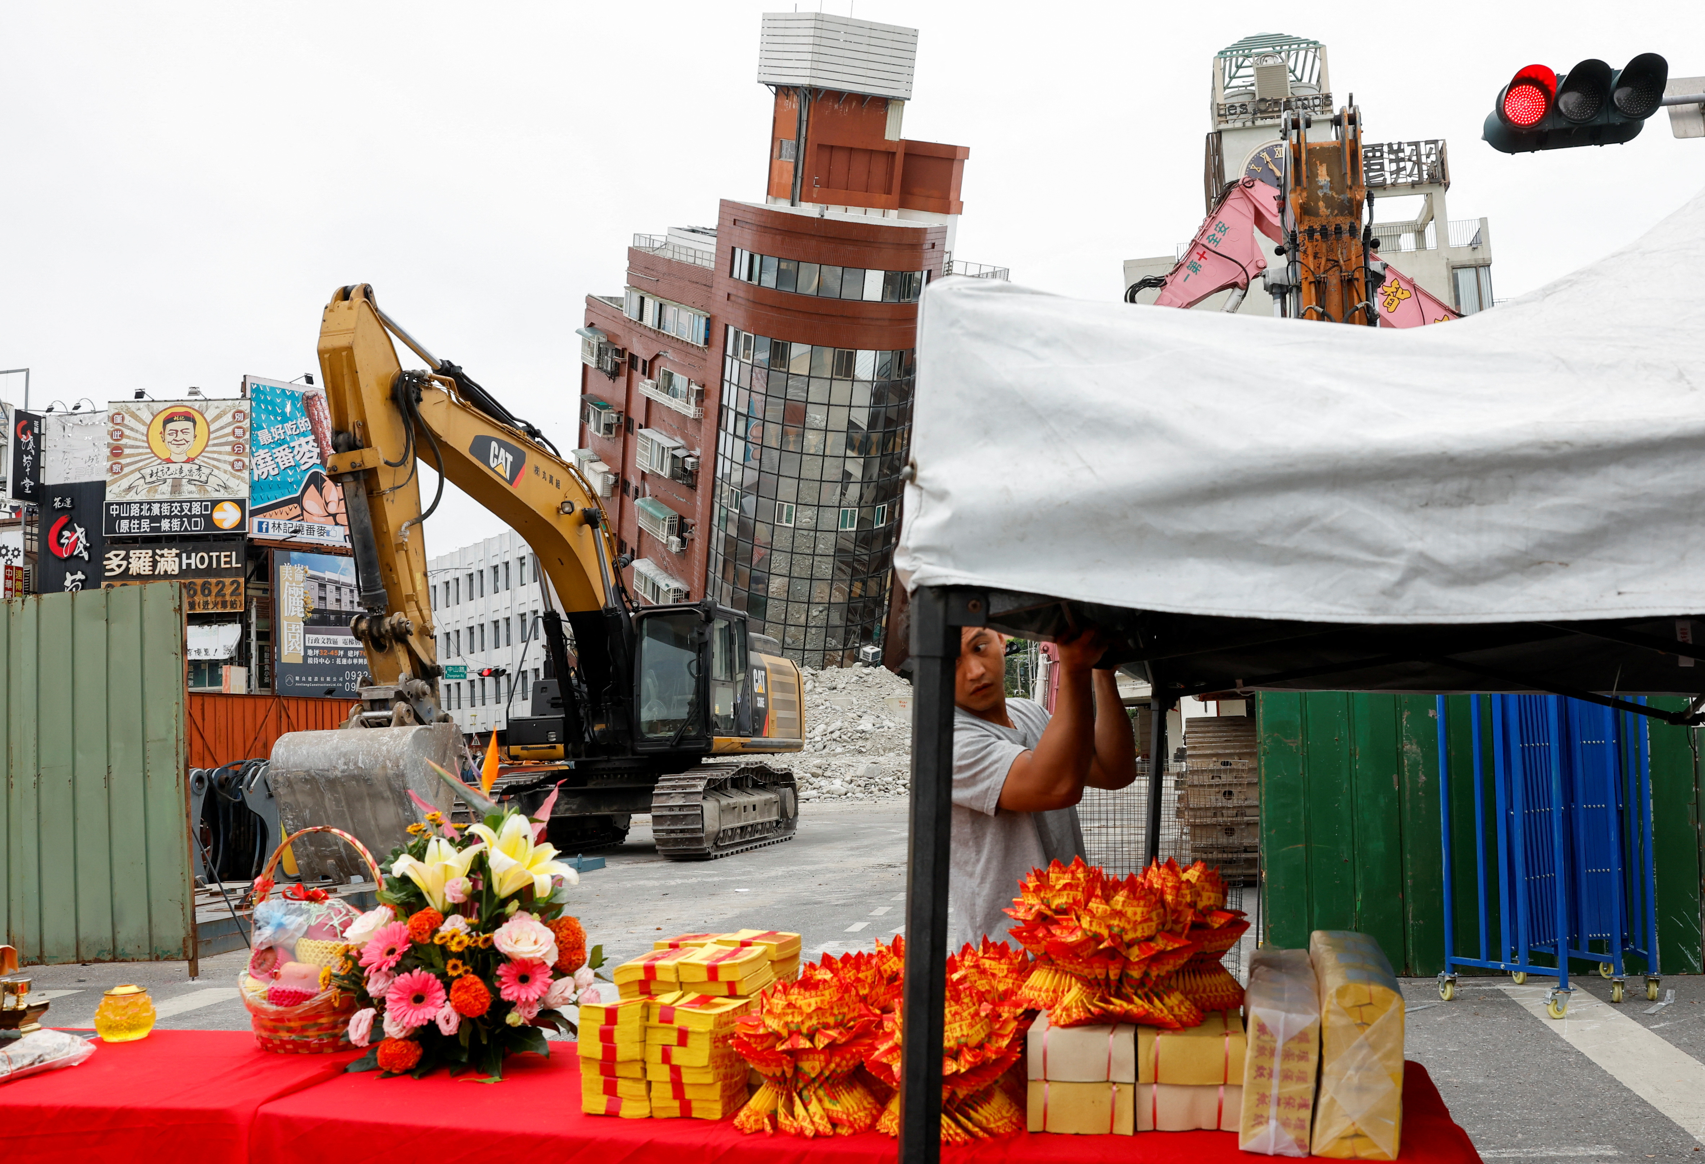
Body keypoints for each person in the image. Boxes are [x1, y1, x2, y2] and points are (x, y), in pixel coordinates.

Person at [949, 625, 1138, 949]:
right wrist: (1074, 668)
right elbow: (1056, 787)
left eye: (979, 648)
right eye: (951, 663)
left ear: (1000, 639)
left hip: (1073, 940)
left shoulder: (1030, 713)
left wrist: (1101, 671)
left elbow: (1113, 771)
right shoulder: (948, 741)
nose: (975, 671)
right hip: (1007, 957)